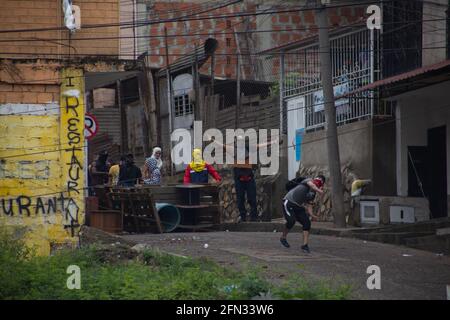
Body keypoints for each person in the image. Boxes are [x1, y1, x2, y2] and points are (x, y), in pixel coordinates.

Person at [210, 135, 280, 222]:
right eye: (238, 142)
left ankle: (253, 217)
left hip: (249, 178)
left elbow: (261, 145)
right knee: (240, 199)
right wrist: (214, 140)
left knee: (252, 198)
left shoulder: (249, 148)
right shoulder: (233, 150)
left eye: (241, 141)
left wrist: (273, 142)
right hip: (239, 179)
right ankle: (243, 218)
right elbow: (222, 145)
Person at [280, 175, 326, 253]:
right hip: (289, 202)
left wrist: (312, 215)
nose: (318, 182)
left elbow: (309, 205)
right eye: (318, 180)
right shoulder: (308, 180)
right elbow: (312, 185)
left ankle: (305, 245)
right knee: (291, 221)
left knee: (307, 223)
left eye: (321, 182)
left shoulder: (313, 193)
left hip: (298, 206)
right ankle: (283, 237)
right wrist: (319, 190)